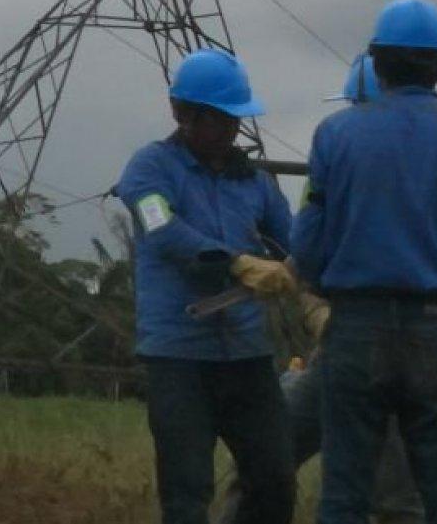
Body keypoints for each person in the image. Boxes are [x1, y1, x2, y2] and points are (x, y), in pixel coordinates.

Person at [292, 0, 437, 524]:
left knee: (345, 493)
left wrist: (340, 293)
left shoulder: (335, 135)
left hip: (355, 328)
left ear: (376, 62)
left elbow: (306, 245)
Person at [219, 53, 425, 524]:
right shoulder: (342, 166)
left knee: (393, 498)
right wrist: (309, 295)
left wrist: (298, 277)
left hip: (397, 350)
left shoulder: (412, 181)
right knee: (263, 460)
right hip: (341, 349)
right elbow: (311, 251)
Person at [115, 48, 298, 524]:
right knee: (186, 490)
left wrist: (299, 266)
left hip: (247, 354)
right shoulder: (149, 168)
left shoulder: (255, 182)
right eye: (221, 119)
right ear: (184, 114)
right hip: (178, 357)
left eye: (236, 120)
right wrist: (237, 264)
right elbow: (162, 228)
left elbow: (292, 240)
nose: (232, 130)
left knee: (275, 478)